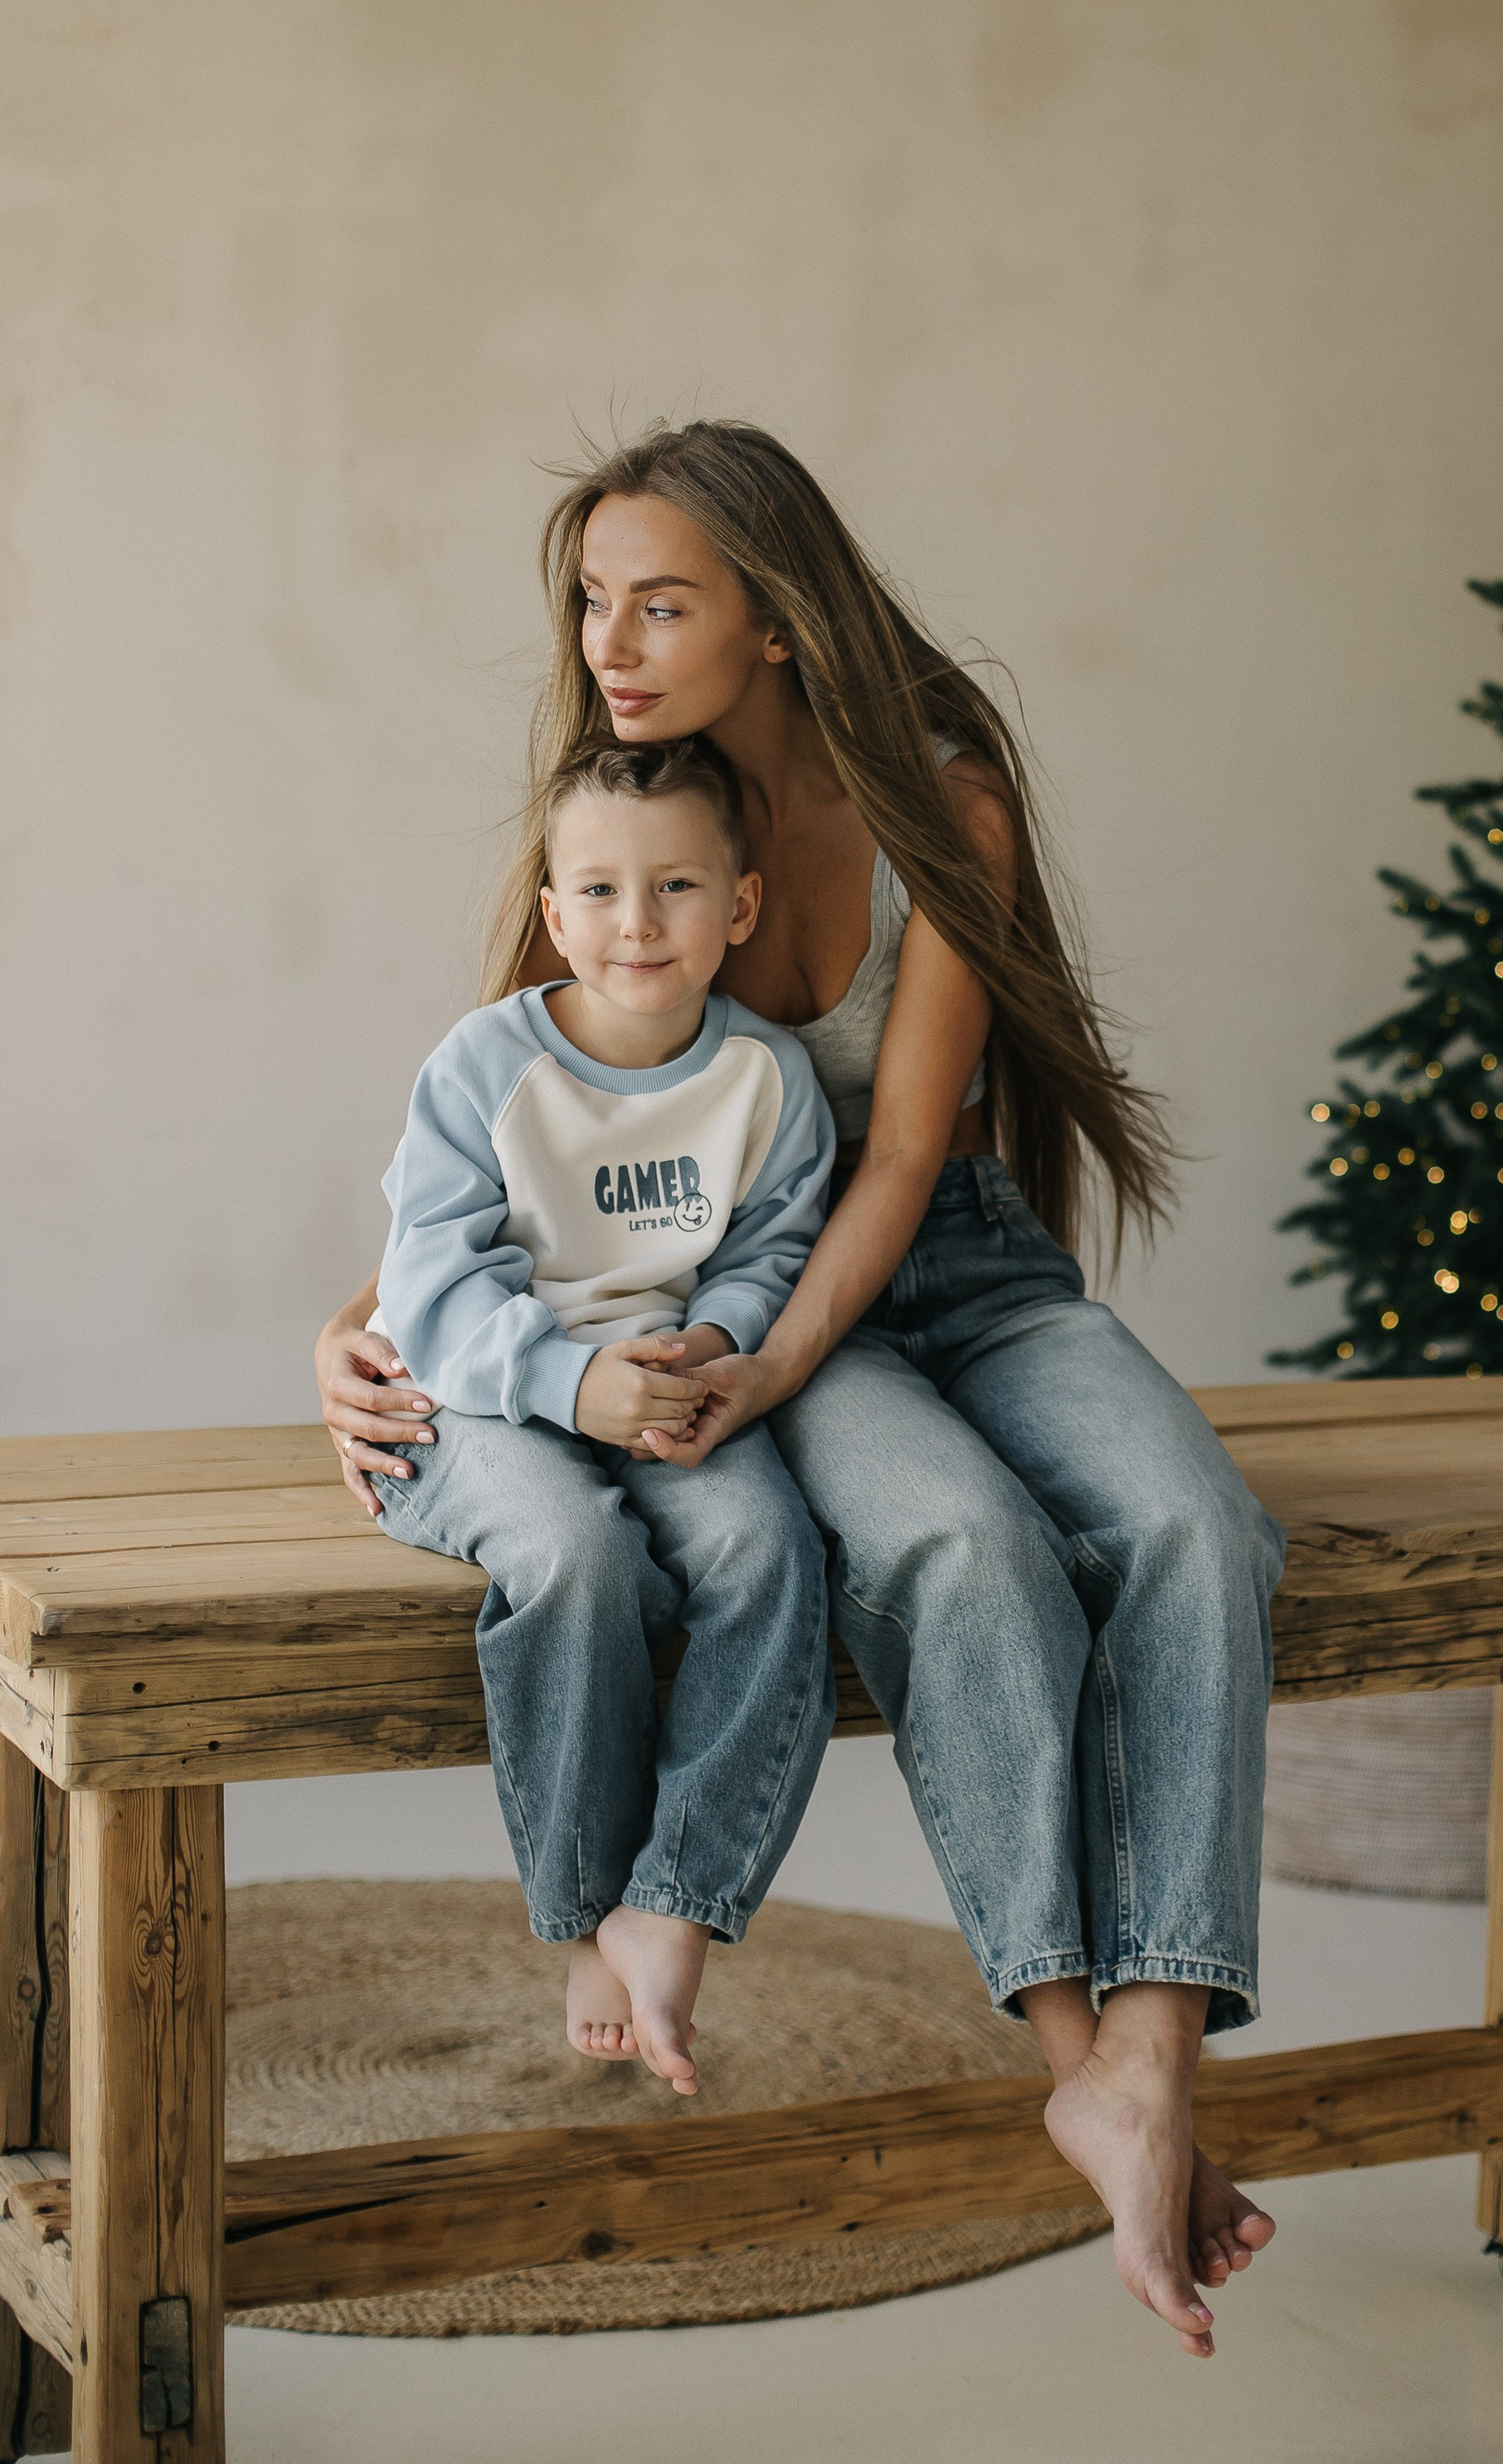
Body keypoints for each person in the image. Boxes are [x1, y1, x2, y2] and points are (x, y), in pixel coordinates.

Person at [318, 419, 1285, 2359]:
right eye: (592, 602)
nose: (607, 643)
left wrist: (769, 1362)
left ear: (774, 616)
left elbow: (907, 1154)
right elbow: (524, 1120)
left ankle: (1152, 2054)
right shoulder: (625, 818)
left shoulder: (942, 800)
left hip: (939, 1268)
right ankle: (1077, 2059)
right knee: (959, 1546)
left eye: (658, 604)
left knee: (1202, 1527)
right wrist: (351, 1326)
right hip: (744, 1308)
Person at [370, 730, 838, 2096]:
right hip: (475, 1401)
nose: (638, 922)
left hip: (663, 1389)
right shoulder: (486, 1064)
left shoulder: (767, 1079)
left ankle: (674, 1898)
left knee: (770, 1549)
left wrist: (715, 1342)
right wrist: (571, 1383)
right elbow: (430, 1280)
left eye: (677, 886)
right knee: (576, 1556)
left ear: (739, 905)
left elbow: (772, 1247)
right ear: (554, 912)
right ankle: (582, 1912)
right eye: (601, 891)